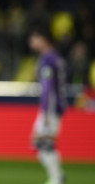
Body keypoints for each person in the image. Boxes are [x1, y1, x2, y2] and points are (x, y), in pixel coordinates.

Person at [28, 27, 67, 184]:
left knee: (43, 144)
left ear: (42, 39)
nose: (31, 42)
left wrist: (46, 113)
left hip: (50, 109)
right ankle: (58, 176)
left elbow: (49, 89)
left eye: (33, 38)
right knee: (41, 143)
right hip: (54, 107)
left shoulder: (48, 60)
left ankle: (56, 178)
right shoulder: (54, 58)